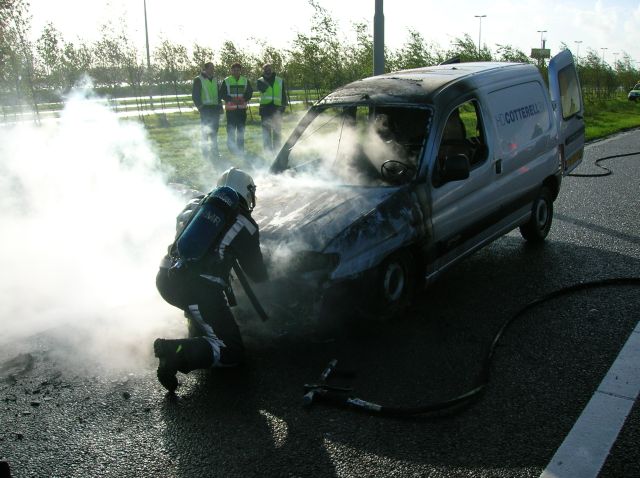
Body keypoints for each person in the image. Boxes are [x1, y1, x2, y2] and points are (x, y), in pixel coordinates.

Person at [154, 168, 268, 393]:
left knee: (202, 313)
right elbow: (257, 274)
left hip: (165, 277)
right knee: (231, 352)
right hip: (197, 290)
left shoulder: (195, 206)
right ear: (248, 192)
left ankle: (196, 333)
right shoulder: (246, 223)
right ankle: (174, 351)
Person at [192, 62, 223, 164]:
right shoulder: (198, 79)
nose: (213, 70)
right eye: (211, 68)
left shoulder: (214, 79)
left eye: (213, 68)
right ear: (205, 69)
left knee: (214, 131)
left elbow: (218, 95)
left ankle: (215, 152)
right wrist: (201, 108)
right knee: (205, 131)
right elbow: (195, 95)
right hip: (205, 109)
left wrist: (220, 107)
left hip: (215, 109)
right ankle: (205, 152)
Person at [221, 63, 253, 156]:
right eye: (234, 70)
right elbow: (222, 94)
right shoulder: (226, 81)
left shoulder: (245, 80)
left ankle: (240, 148)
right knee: (231, 130)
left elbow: (250, 92)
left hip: (241, 110)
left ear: (240, 71)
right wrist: (231, 99)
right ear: (231, 71)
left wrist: (244, 99)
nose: (236, 72)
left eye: (237, 70)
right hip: (231, 110)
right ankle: (231, 148)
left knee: (241, 130)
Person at [256, 63, 288, 154]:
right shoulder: (260, 81)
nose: (268, 70)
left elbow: (283, 95)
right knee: (266, 131)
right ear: (263, 70)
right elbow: (262, 88)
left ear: (272, 69)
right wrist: (266, 78)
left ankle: (277, 149)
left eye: (269, 68)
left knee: (277, 130)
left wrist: (283, 106)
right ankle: (267, 150)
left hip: (277, 108)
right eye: (266, 68)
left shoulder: (280, 80)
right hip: (265, 109)